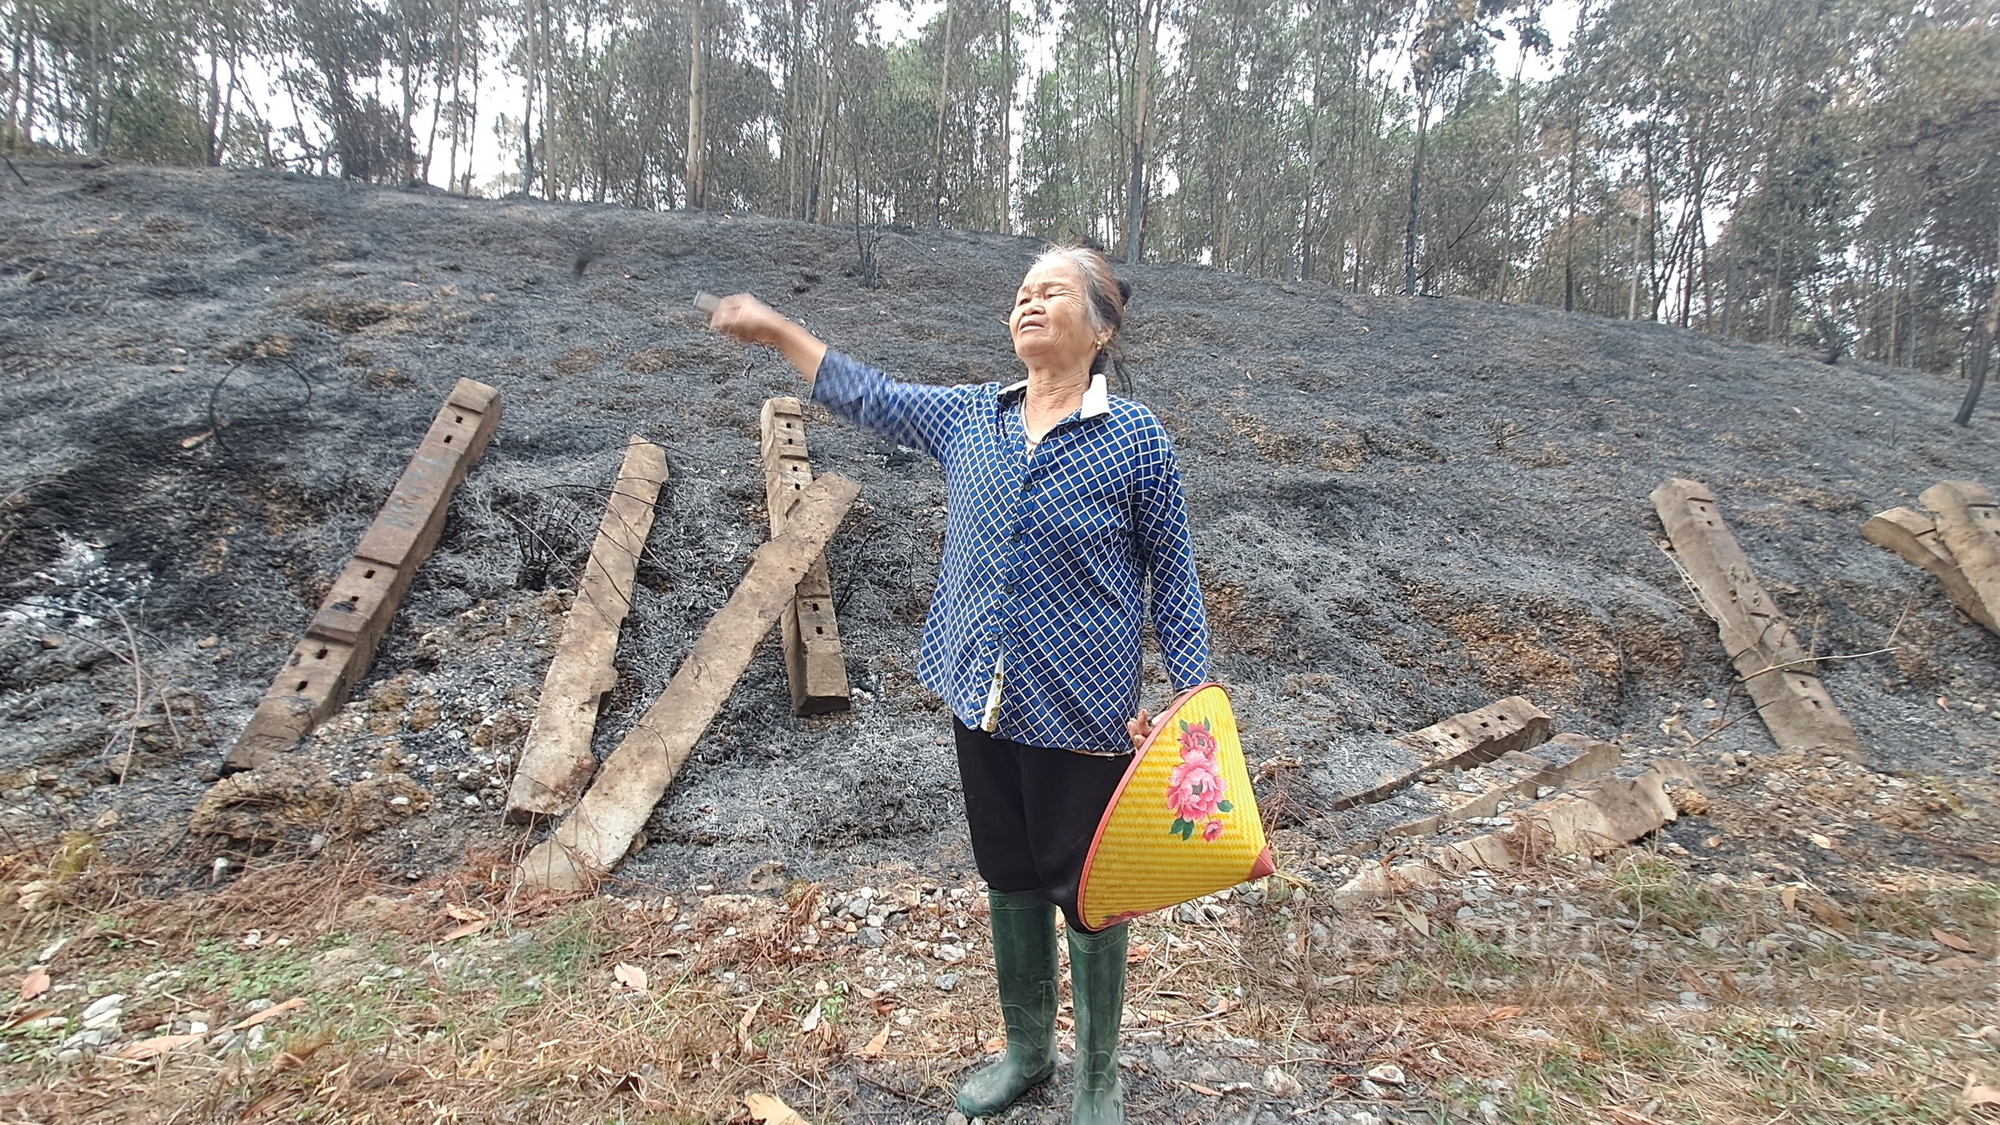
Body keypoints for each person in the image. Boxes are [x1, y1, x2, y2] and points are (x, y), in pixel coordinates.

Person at [706, 243, 1210, 1125]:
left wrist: (1189, 705)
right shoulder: (974, 416)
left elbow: (1174, 577)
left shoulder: (1137, 441)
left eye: (1051, 292)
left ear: (1101, 325)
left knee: (1088, 889)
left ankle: (1098, 1075)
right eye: (1021, 292)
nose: (1027, 303)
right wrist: (780, 331)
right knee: (1008, 874)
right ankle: (1028, 1051)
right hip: (980, 693)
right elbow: (872, 395)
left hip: (1085, 709)